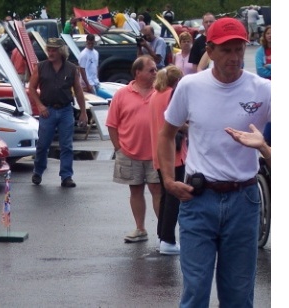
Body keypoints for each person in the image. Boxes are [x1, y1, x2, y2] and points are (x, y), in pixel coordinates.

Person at [157, 17, 270, 307]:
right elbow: (167, 133)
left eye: (239, 49)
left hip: (244, 201)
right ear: (210, 49)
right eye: (226, 50)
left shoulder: (263, 90)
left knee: (238, 296)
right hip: (198, 199)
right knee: (195, 292)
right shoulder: (190, 86)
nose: (234, 57)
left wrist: (265, 147)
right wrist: (169, 181)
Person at [106, 55, 162, 243]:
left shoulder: (161, 92)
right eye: (151, 70)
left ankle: (164, 233)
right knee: (136, 190)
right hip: (129, 152)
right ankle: (140, 229)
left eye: (155, 69)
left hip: (157, 153)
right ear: (138, 72)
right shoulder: (121, 94)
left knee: (157, 190)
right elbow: (112, 124)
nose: (155, 73)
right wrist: (118, 148)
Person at [28, 38, 88, 188]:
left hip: (66, 109)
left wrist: (83, 112)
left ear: (61, 51)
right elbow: (32, 88)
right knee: (43, 144)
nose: (50, 52)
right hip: (47, 110)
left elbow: (79, 91)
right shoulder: (41, 67)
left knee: (66, 145)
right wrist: (40, 106)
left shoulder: (72, 68)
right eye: (49, 49)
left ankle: (66, 176)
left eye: (54, 50)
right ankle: (38, 171)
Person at [149, 65, 185, 255]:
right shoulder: (172, 94)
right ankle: (168, 239)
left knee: (165, 195)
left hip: (158, 151)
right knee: (173, 197)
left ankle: (162, 236)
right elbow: (177, 122)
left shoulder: (156, 94)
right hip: (173, 153)